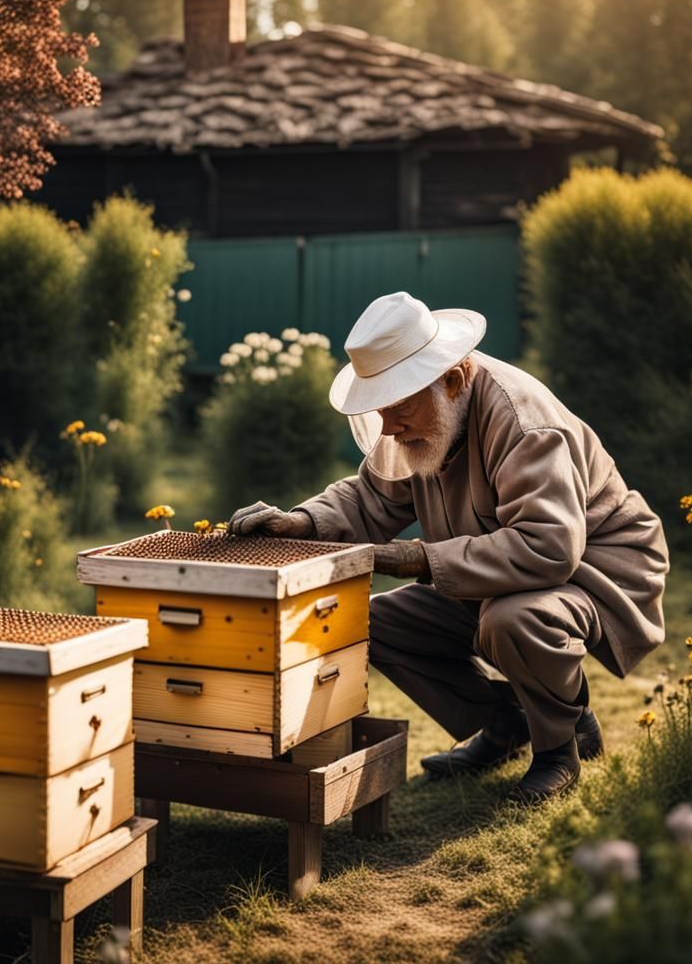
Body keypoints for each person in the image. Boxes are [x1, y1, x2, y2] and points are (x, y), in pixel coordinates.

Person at [228, 292, 669, 803]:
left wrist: (419, 558)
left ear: (453, 380)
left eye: (398, 407)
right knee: (365, 622)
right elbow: (371, 497)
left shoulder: (523, 424)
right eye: (380, 409)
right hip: (500, 571)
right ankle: (506, 723)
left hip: (595, 569)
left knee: (513, 620)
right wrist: (301, 522)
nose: (389, 427)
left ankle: (559, 749)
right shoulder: (426, 416)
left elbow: (549, 547)